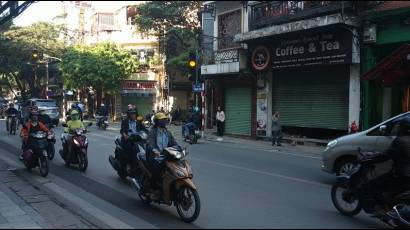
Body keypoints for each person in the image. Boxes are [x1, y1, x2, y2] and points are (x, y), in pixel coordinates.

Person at [362, 118, 410, 215]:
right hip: (405, 175)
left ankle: (384, 209)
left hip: (402, 175)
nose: (397, 129)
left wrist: (371, 158)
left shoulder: (399, 141)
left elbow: (385, 156)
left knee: (372, 185)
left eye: (399, 127)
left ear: (403, 128)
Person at [147, 113, 180, 192]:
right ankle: (152, 188)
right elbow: (150, 144)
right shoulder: (153, 132)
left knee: (178, 167)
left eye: (165, 120)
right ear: (157, 122)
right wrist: (155, 151)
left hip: (167, 155)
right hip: (156, 156)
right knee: (156, 171)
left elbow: (174, 143)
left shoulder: (167, 132)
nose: (164, 121)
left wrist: (178, 148)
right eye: (162, 120)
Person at [120, 108, 146, 178]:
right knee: (131, 150)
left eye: (134, 114)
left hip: (137, 139)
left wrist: (149, 133)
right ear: (129, 115)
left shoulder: (138, 122)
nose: (133, 115)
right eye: (131, 114)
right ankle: (128, 164)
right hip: (128, 140)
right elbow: (122, 130)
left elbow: (144, 129)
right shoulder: (125, 122)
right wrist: (124, 135)